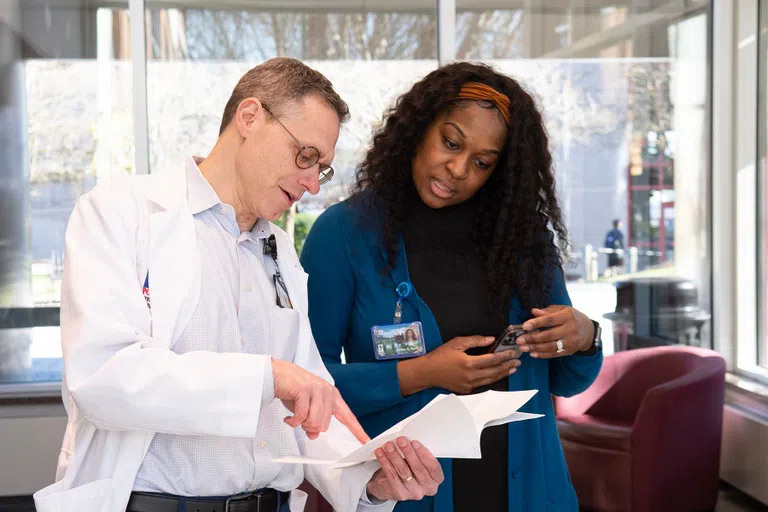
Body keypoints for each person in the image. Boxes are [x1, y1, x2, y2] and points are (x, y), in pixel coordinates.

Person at [33, 58, 443, 512]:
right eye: (306, 156)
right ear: (250, 117)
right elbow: (104, 378)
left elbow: (308, 409)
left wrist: (371, 481)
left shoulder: (280, 252)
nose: (312, 184)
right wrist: (269, 376)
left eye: (321, 168)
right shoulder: (121, 212)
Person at [300, 62, 604, 512]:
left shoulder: (525, 240)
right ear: (420, 129)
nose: (458, 168)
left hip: (531, 492)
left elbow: (570, 380)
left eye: (482, 162)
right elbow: (308, 385)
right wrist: (422, 373)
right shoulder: (343, 234)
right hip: (409, 497)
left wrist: (584, 337)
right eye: (450, 142)